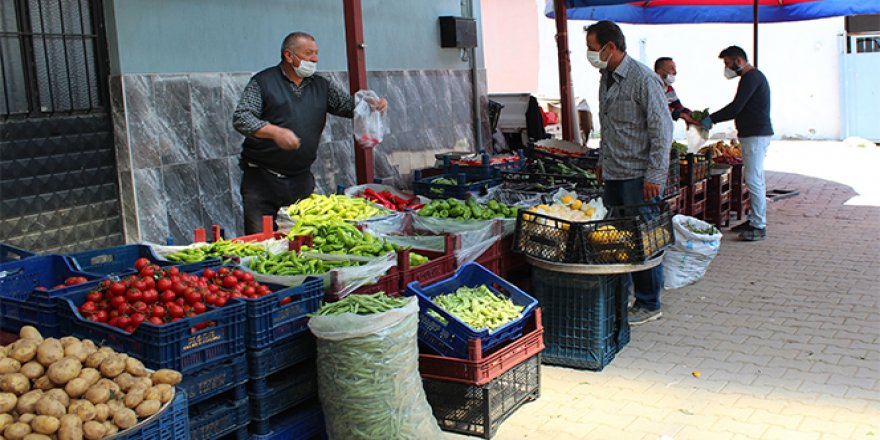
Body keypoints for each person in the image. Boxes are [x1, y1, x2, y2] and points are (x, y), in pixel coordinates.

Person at [233, 31, 388, 234]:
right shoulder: (263, 82)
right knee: (262, 242)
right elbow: (242, 118)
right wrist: (275, 132)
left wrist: (373, 105)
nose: (314, 59)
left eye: (316, 53)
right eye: (308, 53)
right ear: (289, 56)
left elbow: (348, 106)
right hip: (262, 181)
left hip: (300, 180)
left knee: (302, 240)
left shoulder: (321, 85)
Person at [585, 21, 673, 325]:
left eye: (592, 49)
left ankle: (649, 302)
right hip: (614, 172)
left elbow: (662, 131)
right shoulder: (605, 78)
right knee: (619, 238)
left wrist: (655, 176)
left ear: (611, 47)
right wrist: (601, 162)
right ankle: (624, 295)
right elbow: (607, 126)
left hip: (639, 176)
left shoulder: (644, 79)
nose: (590, 54)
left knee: (645, 237)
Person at [698, 46, 773, 242]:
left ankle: (759, 225)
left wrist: (711, 118)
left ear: (738, 60)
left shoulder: (751, 77)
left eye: (727, 63)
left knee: (753, 179)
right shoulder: (752, 77)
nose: (726, 68)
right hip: (753, 133)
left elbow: (736, 107)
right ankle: (755, 219)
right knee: (755, 178)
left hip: (756, 134)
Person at [654, 57, 699, 126]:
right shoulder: (653, 88)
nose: (675, 72)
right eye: (671, 68)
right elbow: (659, 107)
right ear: (659, 72)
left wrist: (692, 115)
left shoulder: (670, 89)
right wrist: (682, 115)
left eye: (675, 68)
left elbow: (679, 107)